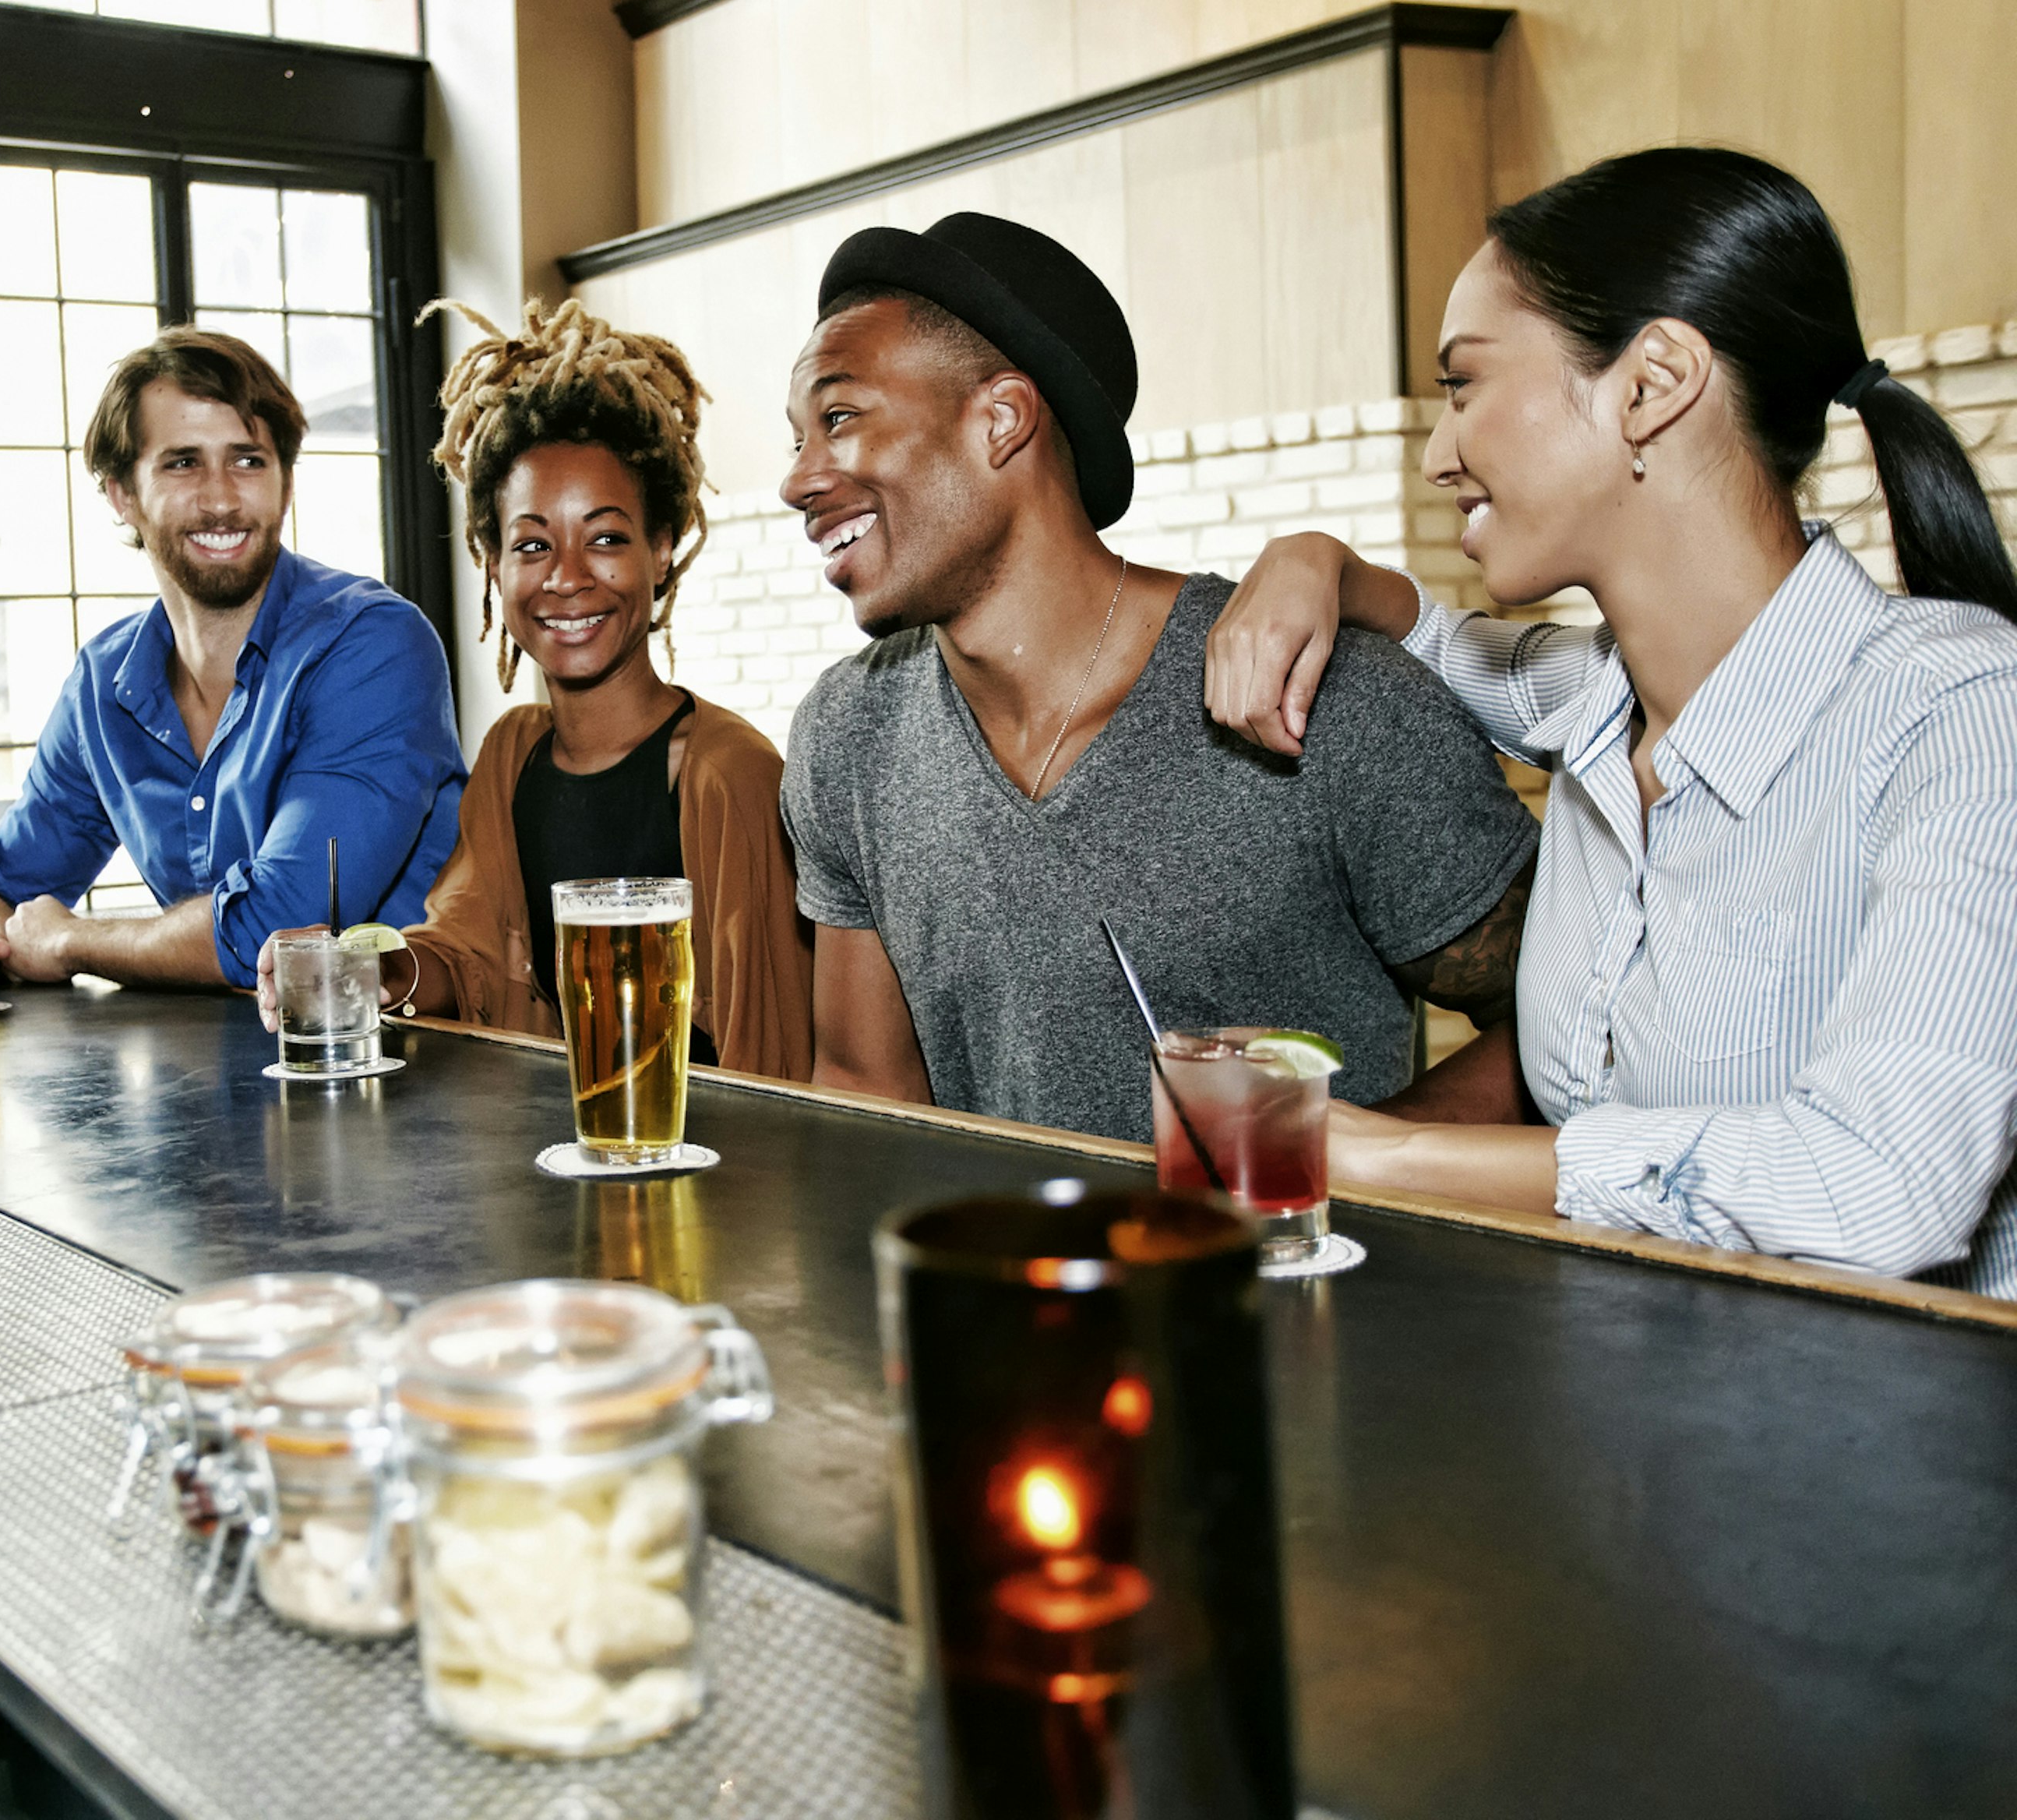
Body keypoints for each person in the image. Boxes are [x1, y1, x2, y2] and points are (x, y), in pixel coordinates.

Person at [1204, 148, 2017, 1296]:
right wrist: (1311, 563)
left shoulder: (1967, 718)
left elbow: (1879, 1186)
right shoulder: (1592, 697)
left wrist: (1374, 1152)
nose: (1439, 456)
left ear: (1652, 383)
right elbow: (1431, 636)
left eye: (1465, 385)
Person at [776, 213, 1540, 1142]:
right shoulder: (847, 738)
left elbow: (1565, 1030)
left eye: (840, 419)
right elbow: (866, 1092)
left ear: (1001, 421)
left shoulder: (1327, 700)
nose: (798, 479)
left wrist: (1341, 1173)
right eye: (797, 437)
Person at [254, 299, 813, 1074]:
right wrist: (371, 970)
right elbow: (467, 958)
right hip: (562, 1166)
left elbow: (778, 1062)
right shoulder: (514, 753)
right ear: (492, 564)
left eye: (608, 537)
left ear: (662, 547)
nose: (569, 577)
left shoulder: (727, 775)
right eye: (532, 544)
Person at [0, 328, 462, 1003]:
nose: (221, 499)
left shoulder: (372, 645)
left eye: (248, 461)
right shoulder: (105, 682)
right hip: (222, 1073)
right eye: (183, 463)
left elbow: (285, 929)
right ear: (121, 493)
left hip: (407, 1058)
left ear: (286, 483)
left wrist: (73, 939)